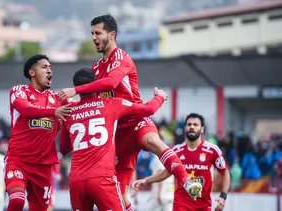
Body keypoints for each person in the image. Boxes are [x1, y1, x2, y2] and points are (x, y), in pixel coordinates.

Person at [57, 14, 202, 210]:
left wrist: (75, 90)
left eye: (97, 33)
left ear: (112, 35)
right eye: (91, 33)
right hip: (117, 132)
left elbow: (111, 82)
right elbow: (94, 102)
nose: (93, 37)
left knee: (153, 141)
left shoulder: (123, 59)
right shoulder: (96, 68)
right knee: (121, 195)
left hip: (136, 118)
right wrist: (75, 104)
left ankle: (187, 181)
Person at [59, 68, 168, 211]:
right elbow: (148, 110)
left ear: (77, 87)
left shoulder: (69, 111)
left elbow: (64, 149)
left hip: (76, 180)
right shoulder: (111, 104)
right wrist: (159, 97)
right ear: (96, 84)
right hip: (102, 178)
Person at [4, 54, 72, 211]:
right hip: (18, 160)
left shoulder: (58, 98)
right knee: (17, 201)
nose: (49, 71)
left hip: (43, 166)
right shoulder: (19, 91)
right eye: (44, 67)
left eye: (50, 68)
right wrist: (54, 111)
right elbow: (26, 109)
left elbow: (83, 106)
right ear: (32, 72)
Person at [132, 113, 231, 211]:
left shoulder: (212, 150)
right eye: (189, 124)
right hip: (181, 204)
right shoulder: (176, 151)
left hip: (203, 206)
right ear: (185, 128)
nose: (192, 127)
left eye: (195, 125)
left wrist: (223, 196)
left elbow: (225, 172)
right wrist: (146, 180)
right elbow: (166, 172)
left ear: (202, 129)